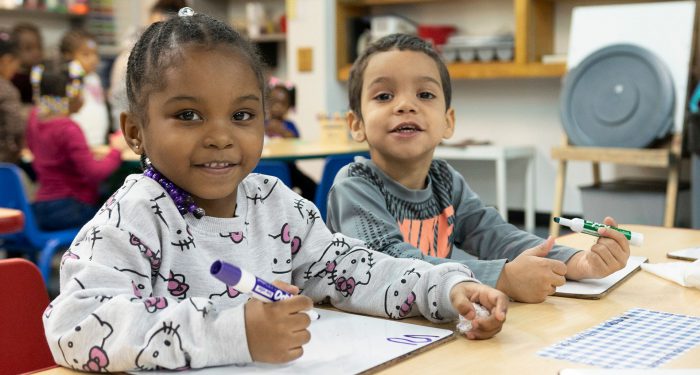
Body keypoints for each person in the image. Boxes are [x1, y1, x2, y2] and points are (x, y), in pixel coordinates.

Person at [43, 10, 507, 371]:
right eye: (188, 115)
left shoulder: (275, 204)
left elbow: (355, 269)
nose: (221, 136)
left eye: (242, 116)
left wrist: (447, 288)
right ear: (135, 131)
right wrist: (233, 331)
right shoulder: (134, 216)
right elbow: (75, 326)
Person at [326, 34, 631, 304]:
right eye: (384, 96)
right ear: (356, 124)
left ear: (448, 121)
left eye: (425, 94)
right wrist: (501, 279)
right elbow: (388, 263)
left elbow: (496, 235)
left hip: (436, 323)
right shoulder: (354, 186)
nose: (405, 105)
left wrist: (579, 262)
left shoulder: (445, 180)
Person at [25, 61, 126, 231]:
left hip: (40, 208)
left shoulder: (35, 118)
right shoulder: (68, 128)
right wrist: (116, 150)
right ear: (73, 95)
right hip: (71, 208)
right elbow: (95, 173)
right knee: (118, 209)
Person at [108, 0, 187, 132]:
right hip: (137, 132)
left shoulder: (187, 56)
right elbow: (119, 100)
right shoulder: (130, 55)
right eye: (153, 26)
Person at [266, 83, 318, 201]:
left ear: (289, 107)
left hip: (289, 168)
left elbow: (297, 143)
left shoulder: (290, 126)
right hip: (264, 166)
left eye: (282, 103)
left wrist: (283, 132)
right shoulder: (261, 124)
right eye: (274, 102)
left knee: (312, 187)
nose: (277, 107)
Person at [60, 28, 109, 146]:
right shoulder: (71, 76)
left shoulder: (94, 77)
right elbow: (72, 99)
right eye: (86, 55)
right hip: (80, 140)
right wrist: (72, 66)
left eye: (95, 54)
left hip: (97, 140)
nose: (93, 59)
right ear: (68, 56)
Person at [0, 29, 24, 164]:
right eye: (16, 65)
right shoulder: (7, 91)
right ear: (6, 61)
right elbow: (16, 130)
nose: (16, 70)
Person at [10, 22, 43, 105]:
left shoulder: (40, 72)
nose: (36, 52)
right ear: (14, 51)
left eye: (39, 47)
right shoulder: (12, 78)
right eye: (28, 48)